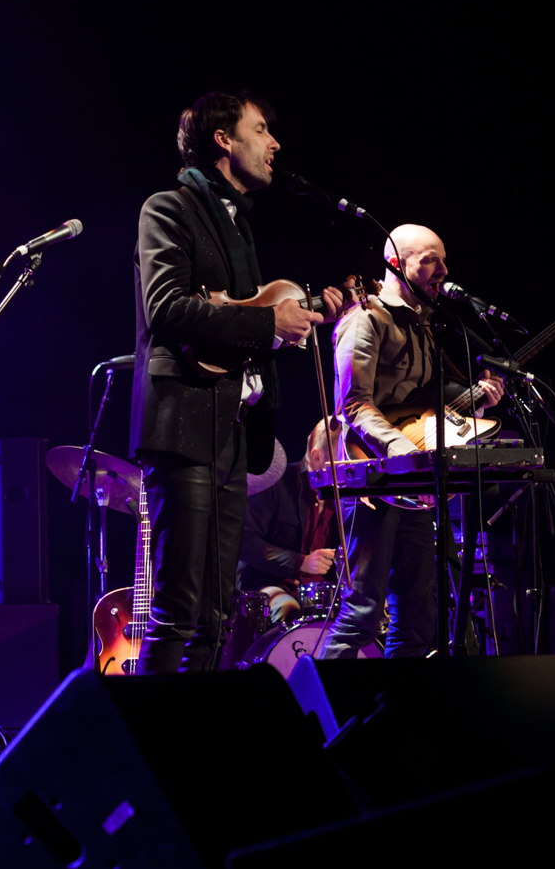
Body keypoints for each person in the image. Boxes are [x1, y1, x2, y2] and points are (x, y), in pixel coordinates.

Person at [130, 90, 344, 673]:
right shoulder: (167, 207)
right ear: (223, 140)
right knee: (178, 605)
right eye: (260, 130)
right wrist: (264, 322)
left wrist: (284, 327)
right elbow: (166, 307)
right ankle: (152, 752)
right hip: (183, 421)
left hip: (230, 426)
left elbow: (246, 317)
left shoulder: (237, 226)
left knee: (217, 612)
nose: (274, 144)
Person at [320, 223, 504, 659]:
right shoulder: (364, 319)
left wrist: (478, 401)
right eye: (430, 261)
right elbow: (354, 404)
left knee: (418, 615)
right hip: (373, 480)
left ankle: (399, 716)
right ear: (396, 265)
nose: (442, 270)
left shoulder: (424, 328)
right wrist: (400, 449)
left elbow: (423, 407)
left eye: (443, 259)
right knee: (364, 612)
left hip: (412, 483)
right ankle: (313, 719)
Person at [238, 419, 341, 623]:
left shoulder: (346, 492)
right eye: (342, 458)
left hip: (324, 590)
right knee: (288, 609)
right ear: (317, 456)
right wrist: (300, 562)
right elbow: (244, 541)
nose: (348, 466)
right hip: (271, 582)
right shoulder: (276, 482)